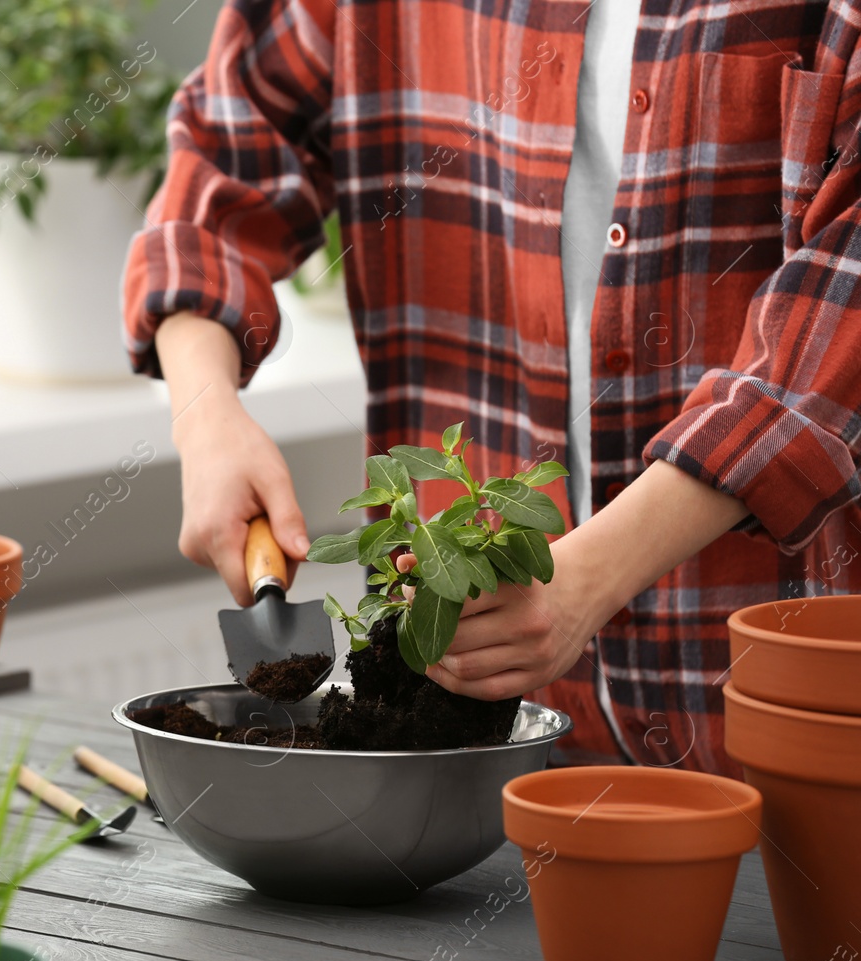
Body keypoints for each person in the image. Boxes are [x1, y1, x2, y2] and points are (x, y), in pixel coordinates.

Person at [123, 1, 861, 773]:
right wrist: (205, 417)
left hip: (790, 733)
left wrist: (590, 577)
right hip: (468, 747)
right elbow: (223, 154)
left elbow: (838, 322)